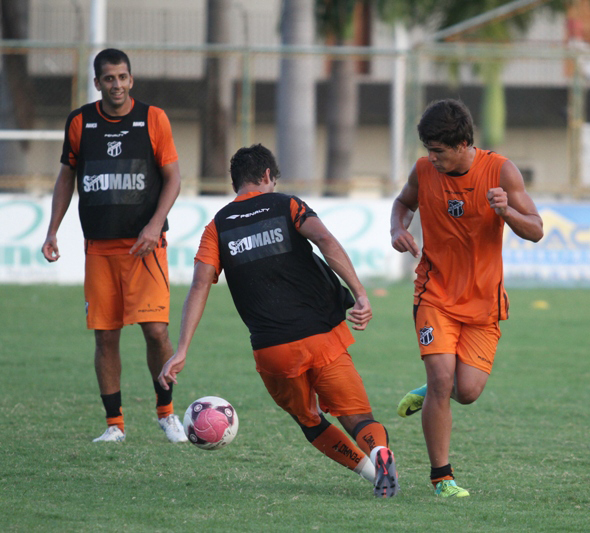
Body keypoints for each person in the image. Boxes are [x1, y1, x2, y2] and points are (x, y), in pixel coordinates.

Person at [158, 144, 399, 498]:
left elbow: (199, 285)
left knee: (310, 419)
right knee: (359, 417)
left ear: (235, 182)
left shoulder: (218, 226)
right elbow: (325, 240)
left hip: (273, 351)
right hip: (322, 337)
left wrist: (181, 349)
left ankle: (369, 474)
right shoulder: (287, 204)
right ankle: (379, 454)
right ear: (268, 176)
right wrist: (360, 293)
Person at [391, 99, 544, 497]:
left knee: (468, 391)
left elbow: (536, 229)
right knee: (443, 379)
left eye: (438, 151)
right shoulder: (424, 171)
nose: (431, 158)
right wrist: (397, 230)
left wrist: (507, 211)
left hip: (483, 302)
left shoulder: (500, 171)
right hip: (435, 293)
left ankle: (429, 391)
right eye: (427, 149)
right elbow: (403, 203)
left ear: (462, 144)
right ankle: (442, 478)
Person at [41, 48, 185, 443]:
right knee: (105, 336)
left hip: (145, 248)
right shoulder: (80, 122)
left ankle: (167, 413)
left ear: (131, 79)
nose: (117, 85)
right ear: (97, 82)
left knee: (156, 331)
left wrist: (155, 225)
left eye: (123, 77)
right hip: (99, 249)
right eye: (109, 78)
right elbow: (66, 177)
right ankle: (114, 425)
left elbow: (173, 178)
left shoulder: (153, 119)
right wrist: (52, 229)